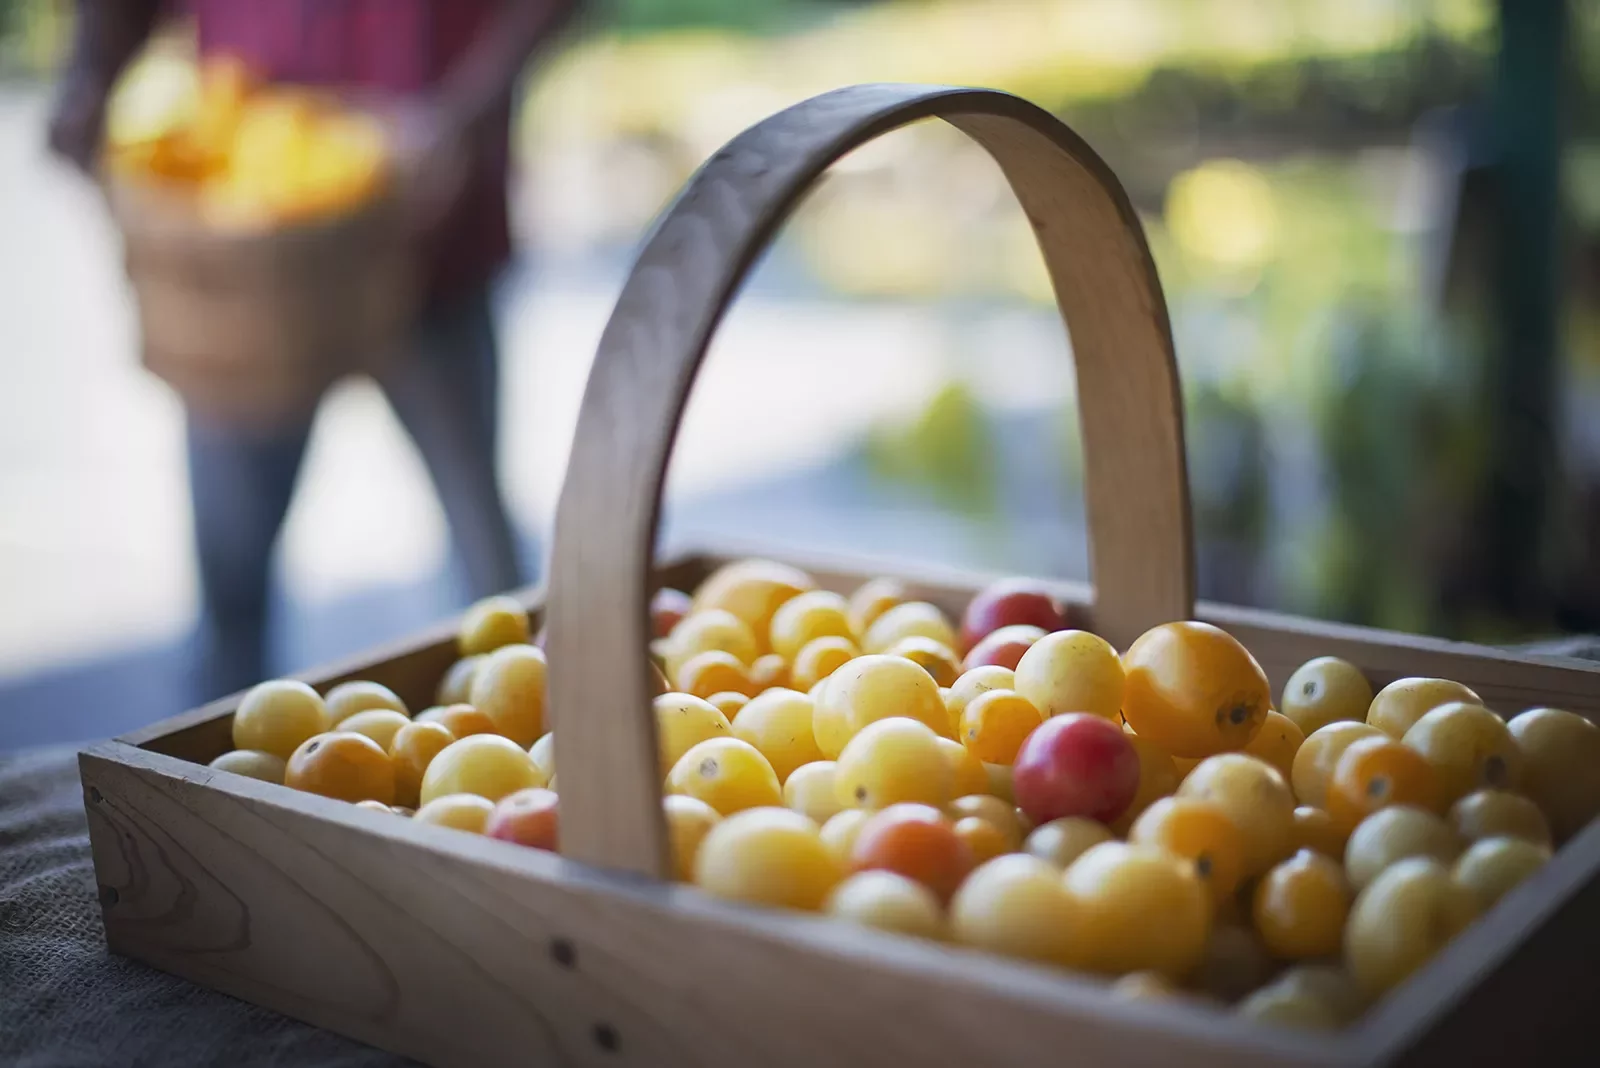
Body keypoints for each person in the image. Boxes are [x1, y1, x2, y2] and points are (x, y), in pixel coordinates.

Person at [48, 0, 578, 697]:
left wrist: (473, 110)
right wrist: (90, 76)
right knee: (230, 583)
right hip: (249, 266)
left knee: (489, 565)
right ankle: (204, 786)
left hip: (434, 243)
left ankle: (539, 741)